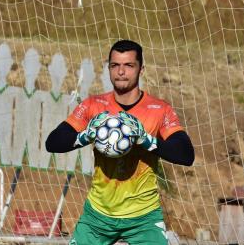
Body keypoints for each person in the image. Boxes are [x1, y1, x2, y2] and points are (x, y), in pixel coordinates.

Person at [46, 40, 194, 245]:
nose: (121, 72)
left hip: (144, 217)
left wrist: (145, 140)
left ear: (141, 69)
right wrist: (85, 136)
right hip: (98, 215)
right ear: (109, 68)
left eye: (128, 65)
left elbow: (186, 154)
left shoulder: (159, 109)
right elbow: (53, 142)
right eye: (115, 65)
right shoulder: (93, 106)